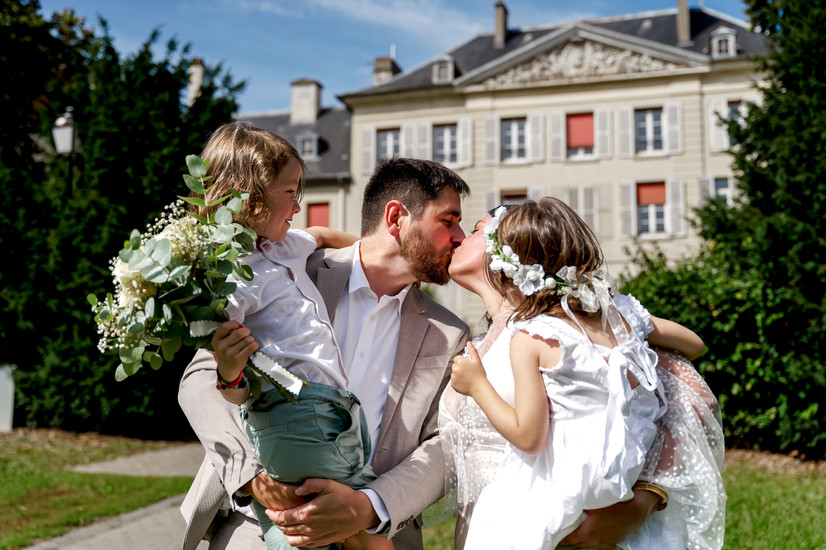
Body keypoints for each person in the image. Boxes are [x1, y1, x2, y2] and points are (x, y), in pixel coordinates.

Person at [178, 156, 471, 550]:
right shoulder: (292, 269)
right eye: (448, 221)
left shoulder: (451, 332)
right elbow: (201, 377)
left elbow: (444, 444)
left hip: (375, 537)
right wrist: (254, 479)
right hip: (257, 528)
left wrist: (368, 507)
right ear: (396, 217)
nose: (460, 237)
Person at [440, 199, 726, 549]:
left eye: (474, 230)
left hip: (538, 510)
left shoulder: (545, 333)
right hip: (491, 521)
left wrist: (647, 497)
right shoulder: (600, 324)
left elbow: (689, 392)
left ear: (504, 259)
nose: (457, 238)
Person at [187, 122, 391, 550]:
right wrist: (229, 370)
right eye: (290, 192)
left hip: (325, 407)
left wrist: (387, 260)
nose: (298, 205)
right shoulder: (228, 279)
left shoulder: (284, 244)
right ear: (248, 195)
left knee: (305, 525)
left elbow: (321, 236)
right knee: (359, 525)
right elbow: (228, 387)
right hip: (292, 409)